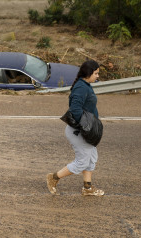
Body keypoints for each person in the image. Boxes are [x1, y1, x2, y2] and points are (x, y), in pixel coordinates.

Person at [46, 60, 105, 196]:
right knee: (82, 162)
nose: (97, 76)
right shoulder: (81, 87)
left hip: (84, 131)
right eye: (96, 73)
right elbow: (75, 109)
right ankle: (53, 178)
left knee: (91, 158)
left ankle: (87, 188)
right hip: (79, 131)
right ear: (88, 73)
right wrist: (86, 127)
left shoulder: (85, 85)